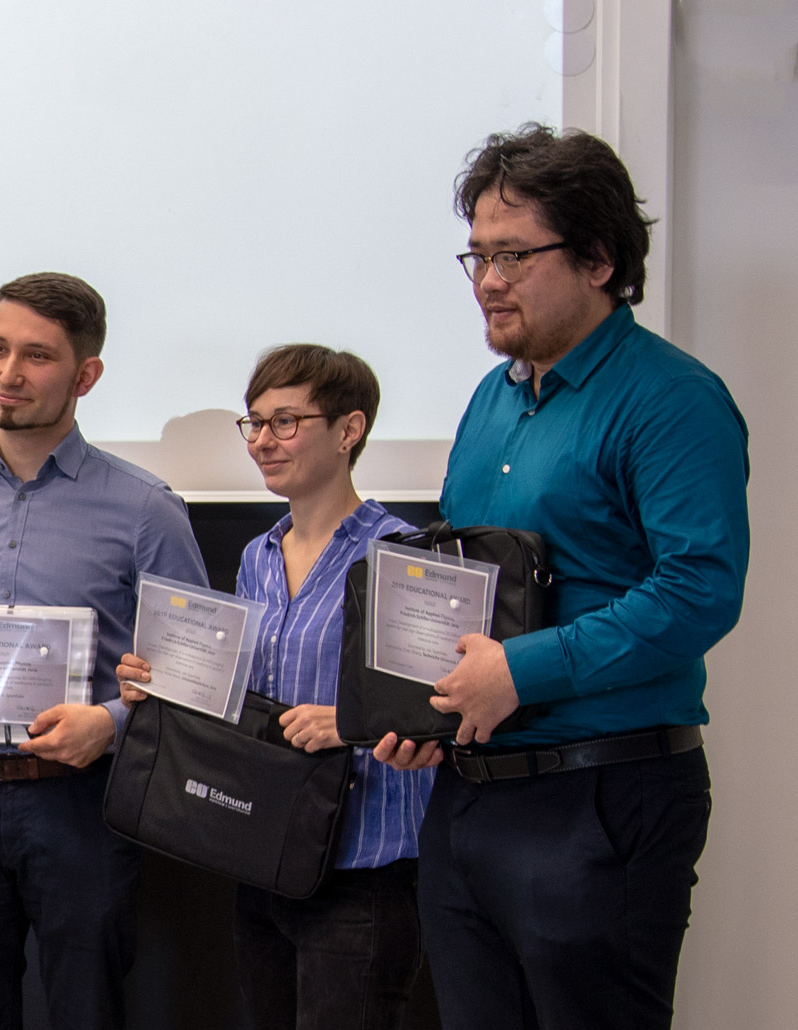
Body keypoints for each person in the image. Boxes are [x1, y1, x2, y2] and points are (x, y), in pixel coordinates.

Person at [373, 124, 749, 1029]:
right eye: (477, 255)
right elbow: (464, 573)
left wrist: (519, 673)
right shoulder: (491, 398)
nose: (489, 281)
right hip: (468, 800)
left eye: (513, 255)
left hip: (599, 797)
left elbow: (699, 588)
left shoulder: (671, 399)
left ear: (597, 257)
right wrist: (418, 707)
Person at [0, 271, 209, 1029]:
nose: (8, 373)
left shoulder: (146, 510)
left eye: (35, 356)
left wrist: (112, 723)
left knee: (88, 1014)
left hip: (84, 805)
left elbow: (197, 672)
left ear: (85, 375)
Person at [119, 345, 433, 1030]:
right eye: (254, 423)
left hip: (361, 872)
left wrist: (348, 721)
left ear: (348, 430)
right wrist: (163, 686)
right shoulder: (259, 556)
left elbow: (434, 710)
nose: (262, 441)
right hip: (264, 857)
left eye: (285, 422)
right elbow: (239, 700)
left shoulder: (404, 554)